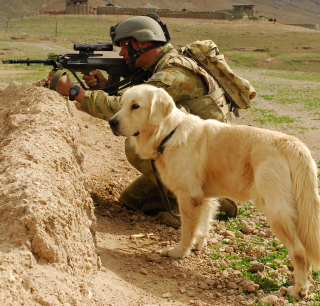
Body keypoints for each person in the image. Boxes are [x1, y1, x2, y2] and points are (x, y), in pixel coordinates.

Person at [47, 14, 238, 227]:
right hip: (192, 151)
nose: (121, 53)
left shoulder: (173, 72)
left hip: (206, 158)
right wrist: (101, 87)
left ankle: (208, 196)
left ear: (142, 43)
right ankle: (181, 196)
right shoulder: (159, 66)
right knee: (132, 200)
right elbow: (129, 101)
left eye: (124, 46)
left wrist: (74, 91)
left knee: (136, 141)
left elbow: (128, 110)